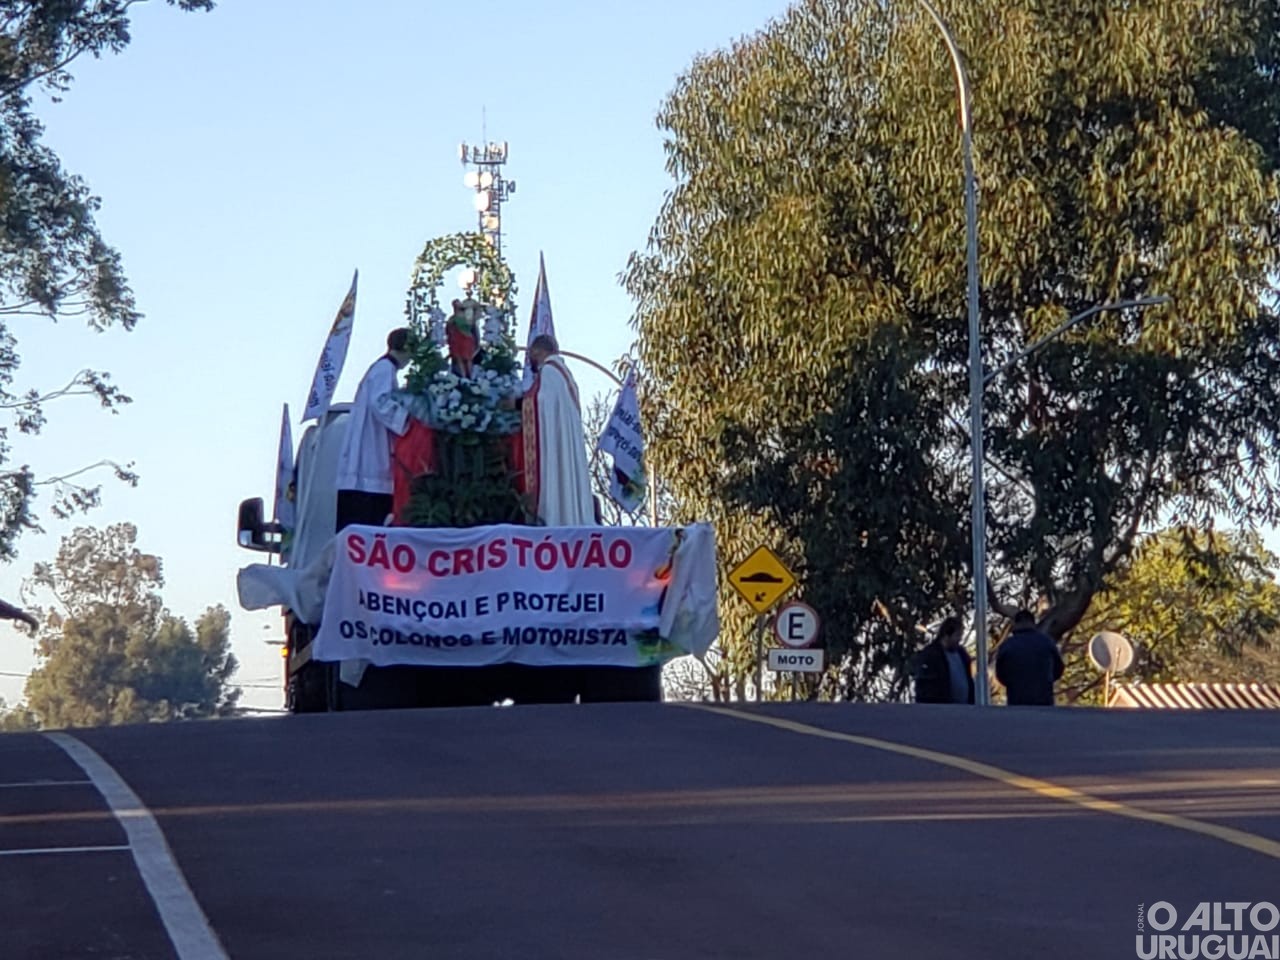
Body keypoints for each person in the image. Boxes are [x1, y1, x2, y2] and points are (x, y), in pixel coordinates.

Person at [335, 328, 412, 532]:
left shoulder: (382, 369)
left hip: (371, 445)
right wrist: (407, 419)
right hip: (370, 453)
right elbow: (381, 403)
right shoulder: (384, 369)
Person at [520, 334, 595, 526]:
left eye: (532, 354)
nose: (531, 360)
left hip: (554, 445)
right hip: (564, 441)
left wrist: (515, 403)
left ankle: (555, 516)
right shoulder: (565, 374)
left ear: (538, 351)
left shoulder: (550, 372)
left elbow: (540, 403)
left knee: (556, 479)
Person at [995, 609, 1065, 706]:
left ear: (1015, 623)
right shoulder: (1046, 642)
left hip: (1016, 700)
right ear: (1033, 622)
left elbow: (1000, 673)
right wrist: (1046, 680)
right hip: (1044, 699)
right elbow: (1059, 668)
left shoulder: (1007, 645)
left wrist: (1012, 684)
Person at [912, 615, 974, 704]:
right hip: (942, 710)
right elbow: (925, 687)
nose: (959, 639)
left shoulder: (962, 654)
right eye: (957, 635)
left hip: (963, 709)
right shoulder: (931, 655)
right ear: (947, 634)